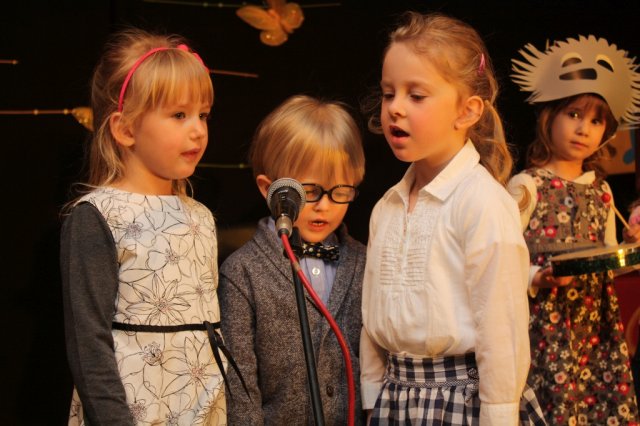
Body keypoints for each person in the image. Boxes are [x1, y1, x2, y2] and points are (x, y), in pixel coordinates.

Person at [359, 11, 546, 425]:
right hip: (396, 399)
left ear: (467, 111)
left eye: (416, 95)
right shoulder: (386, 207)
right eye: (389, 94)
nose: (395, 108)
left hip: (461, 403)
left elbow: (502, 328)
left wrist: (498, 415)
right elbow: (371, 315)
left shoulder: (481, 202)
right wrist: (372, 393)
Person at [60, 28, 230, 425]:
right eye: (179, 115)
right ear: (126, 129)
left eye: (203, 115)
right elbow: (89, 344)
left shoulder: (201, 217)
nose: (197, 129)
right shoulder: (99, 216)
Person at [508, 34, 640, 424]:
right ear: (549, 116)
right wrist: (537, 277)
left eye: (596, 120)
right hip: (544, 328)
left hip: (596, 327)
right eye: (574, 114)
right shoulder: (527, 186)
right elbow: (500, 261)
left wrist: (629, 249)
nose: (584, 128)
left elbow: (610, 259)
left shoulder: (602, 190)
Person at [218, 94, 367, 425]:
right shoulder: (242, 273)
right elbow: (240, 389)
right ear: (269, 189)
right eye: (309, 191)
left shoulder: (365, 263)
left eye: (340, 191)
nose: (324, 206)